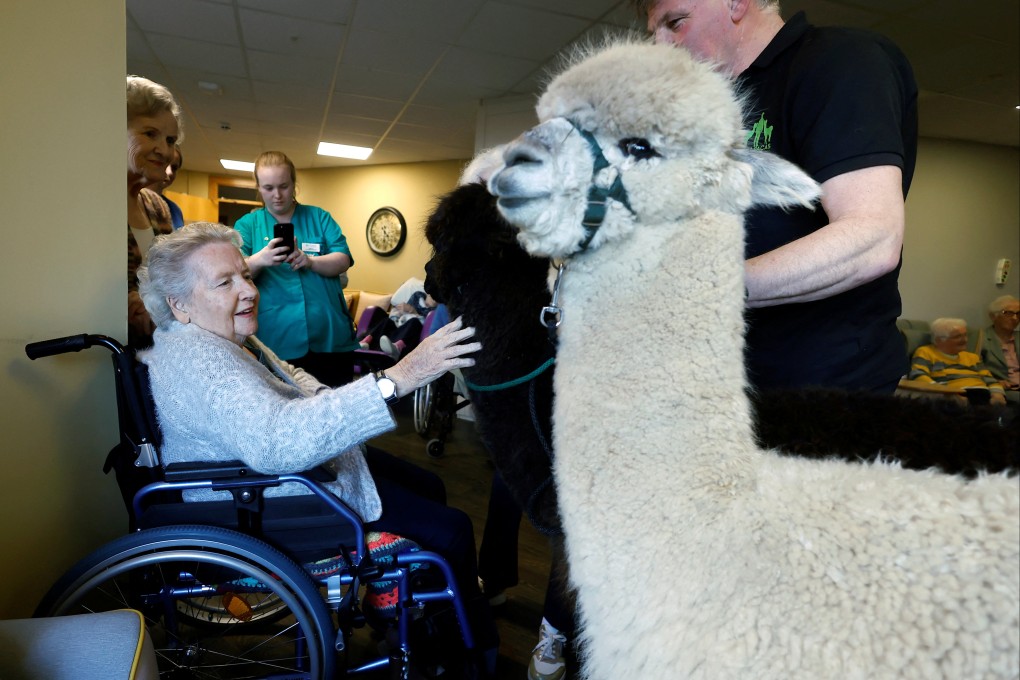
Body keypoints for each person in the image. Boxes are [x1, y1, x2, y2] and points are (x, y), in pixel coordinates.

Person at [135, 222, 498, 670]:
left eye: (244, 275)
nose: (248, 290)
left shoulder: (226, 339)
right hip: (266, 502)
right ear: (179, 304)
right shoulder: (202, 359)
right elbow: (277, 442)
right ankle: (467, 654)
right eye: (224, 282)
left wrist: (364, 391)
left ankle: (402, 608)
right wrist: (397, 378)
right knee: (453, 528)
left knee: (427, 484)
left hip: (286, 480)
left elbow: (297, 382)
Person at [634, 0, 918, 393]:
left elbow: (873, 238)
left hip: (822, 393)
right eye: (654, 33)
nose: (661, 47)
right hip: (723, 382)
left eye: (675, 23)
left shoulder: (841, 61)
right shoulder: (708, 108)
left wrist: (706, 287)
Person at [234, 151, 359, 387]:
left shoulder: (319, 217)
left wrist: (310, 262)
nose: (277, 195)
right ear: (258, 187)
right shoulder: (248, 225)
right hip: (276, 339)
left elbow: (343, 259)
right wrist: (261, 259)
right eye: (268, 188)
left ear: (294, 184)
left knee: (337, 406)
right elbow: (233, 273)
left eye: (284, 186)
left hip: (329, 336)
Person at [127, 75, 181, 349]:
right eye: (150, 134)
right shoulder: (91, 206)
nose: (164, 150)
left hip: (157, 351)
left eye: (171, 140)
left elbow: (169, 280)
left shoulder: (157, 206)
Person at [908, 318, 1006, 406]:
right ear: (939, 340)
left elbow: (989, 379)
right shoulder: (926, 352)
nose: (965, 340)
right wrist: (946, 393)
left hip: (983, 394)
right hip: (953, 395)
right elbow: (918, 375)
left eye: (965, 335)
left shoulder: (972, 357)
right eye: (958, 337)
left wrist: (998, 394)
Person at [359, 277, 437, 359]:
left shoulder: (436, 311)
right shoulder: (418, 296)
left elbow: (426, 327)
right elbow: (399, 311)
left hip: (409, 335)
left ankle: (397, 348)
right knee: (387, 321)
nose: (434, 299)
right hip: (398, 325)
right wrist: (396, 317)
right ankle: (366, 342)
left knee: (414, 321)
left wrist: (414, 312)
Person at [979, 295, 1020, 403]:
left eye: (1018, 314)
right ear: (993, 316)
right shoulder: (981, 340)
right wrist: (995, 382)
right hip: (1004, 389)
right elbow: (974, 370)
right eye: (1008, 313)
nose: (1015, 318)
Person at [159, 145, 186, 230]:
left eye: (174, 168)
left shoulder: (174, 210)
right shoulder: (131, 202)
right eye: (163, 164)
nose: (169, 172)